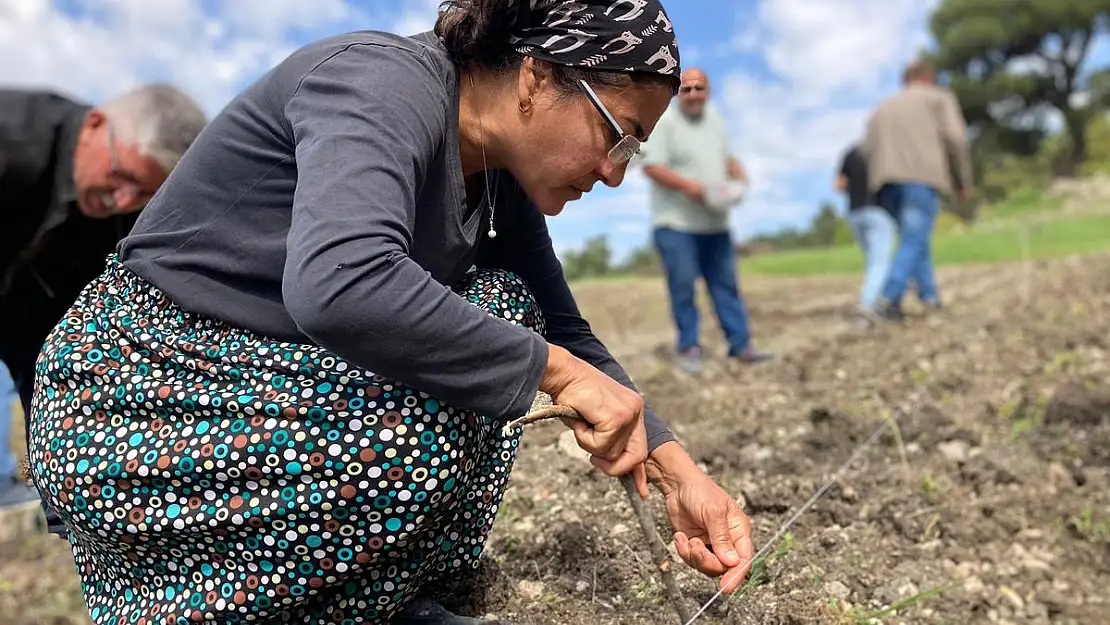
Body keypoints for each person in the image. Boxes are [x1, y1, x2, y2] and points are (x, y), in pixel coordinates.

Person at [27, 2, 755, 624]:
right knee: (484, 355)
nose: (616, 171)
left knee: (510, 315)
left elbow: (564, 330)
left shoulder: (498, 182)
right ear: (537, 77)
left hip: (252, 376)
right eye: (618, 133)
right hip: (139, 391)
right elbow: (341, 282)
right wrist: (556, 374)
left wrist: (678, 469)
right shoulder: (379, 81)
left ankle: (364, 599)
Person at [0, 84, 206, 519]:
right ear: (94, 126)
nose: (124, 202)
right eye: (123, 178)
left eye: (144, 194)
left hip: (32, 313)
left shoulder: (125, 218)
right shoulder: (12, 138)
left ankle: (66, 506)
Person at [640, 68, 772, 374]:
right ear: (678, 93)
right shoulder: (666, 121)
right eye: (686, 89)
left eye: (699, 88)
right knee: (683, 287)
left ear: (708, 91)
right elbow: (653, 167)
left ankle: (742, 346)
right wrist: (692, 188)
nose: (693, 94)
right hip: (676, 224)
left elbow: (726, 157)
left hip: (715, 224)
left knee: (726, 286)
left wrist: (738, 174)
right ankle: (689, 347)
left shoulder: (715, 120)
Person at [861, 58, 973, 322]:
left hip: (885, 183)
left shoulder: (880, 109)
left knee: (914, 239)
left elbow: (865, 150)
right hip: (919, 178)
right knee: (914, 239)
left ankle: (930, 297)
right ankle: (888, 297)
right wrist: (961, 180)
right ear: (928, 78)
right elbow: (956, 138)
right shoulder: (937, 98)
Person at [836, 143, 896, 323]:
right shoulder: (883, 150)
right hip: (877, 211)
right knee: (880, 262)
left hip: (854, 213)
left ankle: (875, 301)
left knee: (872, 262)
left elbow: (839, 184)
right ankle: (868, 304)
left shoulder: (851, 152)